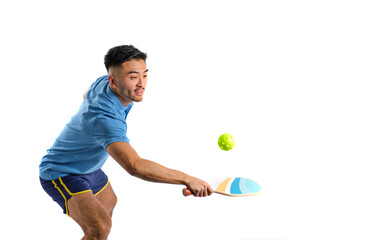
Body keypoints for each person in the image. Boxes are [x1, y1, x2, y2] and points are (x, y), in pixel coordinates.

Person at [39, 45, 213, 240]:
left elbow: (86, 94)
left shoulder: (102, 83)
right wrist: (187, 178)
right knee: (100, 227)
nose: (141, 84)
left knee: (109, 203)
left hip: (90, 168)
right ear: (113, 81)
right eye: (133, 77)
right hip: (62, 172)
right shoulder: (105, 120)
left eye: (144, 75)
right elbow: (135, 166)